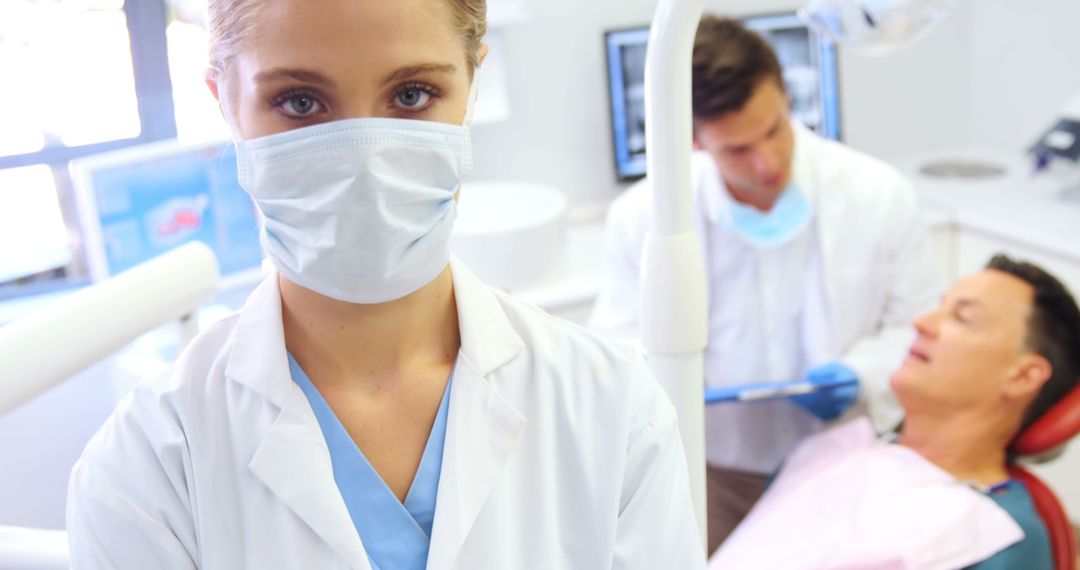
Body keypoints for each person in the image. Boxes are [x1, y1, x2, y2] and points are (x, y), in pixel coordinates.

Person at [65, 1, 705, 568]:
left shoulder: (613, 410)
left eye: (412, 94)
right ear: (226, 102)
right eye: (299, 102)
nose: (363, 157)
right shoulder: (145, 471)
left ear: (472, 85)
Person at [589, 15, 940, 551]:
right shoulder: (642, 219)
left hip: (845, 459)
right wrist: (672, 377)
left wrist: (862, 375)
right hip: (714, 474)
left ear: (785, 94)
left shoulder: (879, 196)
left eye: (774, 129)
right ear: (693, 140)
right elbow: (616, 353)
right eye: (736, 149)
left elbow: (917, 328)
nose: (767, 161)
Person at [710, 255, 1079, 569]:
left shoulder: (1000, 535)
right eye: (939, 306)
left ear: (1023, 377)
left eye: (962, 318)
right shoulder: (834, 452)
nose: (921, 322)